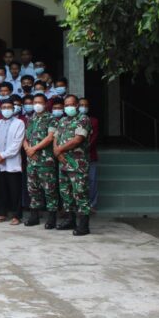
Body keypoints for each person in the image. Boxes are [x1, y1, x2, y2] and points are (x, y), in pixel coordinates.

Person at [53, 95, 92, 236]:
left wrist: (59, 150)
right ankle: (70, 220)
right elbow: (55, 138)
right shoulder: (62, 120)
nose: (69, 107)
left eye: (72, 104)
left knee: (80, 193)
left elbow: (77, 140)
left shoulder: (83, 119)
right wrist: (57, 153)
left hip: (77, 164)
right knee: (66, 193)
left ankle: (83, 225)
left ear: (77, 105)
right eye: (66, 105)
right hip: (63, 163)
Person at [22, 93, 58, 228]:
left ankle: (52, 218)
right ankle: (34, 216)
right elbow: (24, 137)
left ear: (45, 104)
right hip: (31, 161)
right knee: (33, 189)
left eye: (40, 102)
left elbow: (50, 138)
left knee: (49, 190)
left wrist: (34, 149)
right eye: (34, 102)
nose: (37, 105)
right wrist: (27, 149)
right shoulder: (30, 119)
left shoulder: (52, 119)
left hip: (46, 161)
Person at [0, 99, 25, 225]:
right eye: (4, 107)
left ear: (13, 109)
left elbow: (17, 143)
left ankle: (16, 215)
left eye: (9, 107)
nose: (7, 109)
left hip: (11, 162)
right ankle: (1, 214)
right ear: (0, 109)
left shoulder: (19, 123)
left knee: (14, 190)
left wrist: (4, 155)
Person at [79, 97, 100, 212]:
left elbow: (93, 138)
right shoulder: (72, 120)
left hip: (89, 155)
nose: (83, 107)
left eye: (86, 105)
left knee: (91, 180)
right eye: (81, 105)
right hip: (74, 157)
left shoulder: (93, 121)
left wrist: (83, 149)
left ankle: (92, 204)